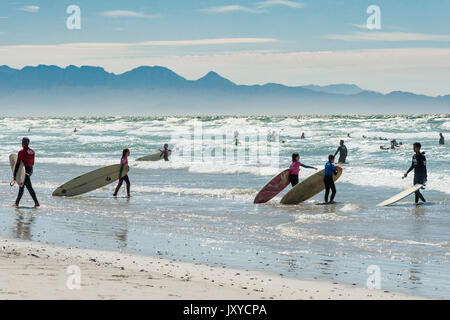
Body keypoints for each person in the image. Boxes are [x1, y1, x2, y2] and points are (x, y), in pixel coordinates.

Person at [13, 137, 39, 208]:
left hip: (24, 171)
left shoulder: (21, 152)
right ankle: (17, 203)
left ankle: (36, 203)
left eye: (22, 142)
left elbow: (18, 164)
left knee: (27, 187)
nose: (21, 143)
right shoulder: (32, 151)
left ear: (23, 143)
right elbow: (32, 163)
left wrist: (14, 175)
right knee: (22, 186)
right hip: (30, 170)